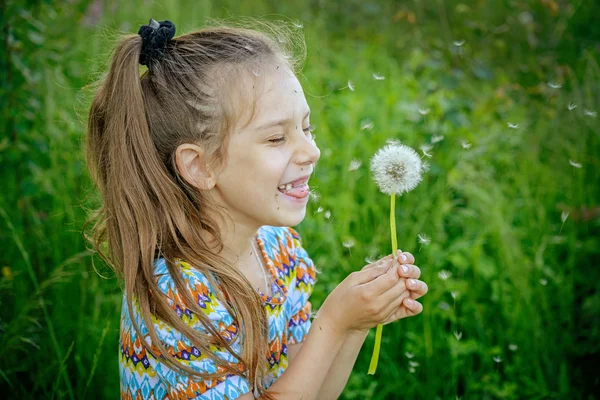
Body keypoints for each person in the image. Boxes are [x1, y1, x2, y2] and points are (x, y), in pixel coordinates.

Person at [84, 18, 428, 400]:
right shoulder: (178, 297)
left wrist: (355, 324)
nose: (311, 151)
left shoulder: (279, 249)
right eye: (277, 137)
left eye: (306, 128)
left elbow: (314, 392)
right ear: (201, 166)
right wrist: (332, 321)